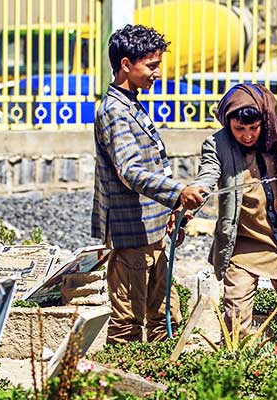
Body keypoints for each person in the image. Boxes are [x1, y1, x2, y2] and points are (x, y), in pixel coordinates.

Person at [92, 24, 207, 344]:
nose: (157, 73)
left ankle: (158, 376)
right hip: (132, 232)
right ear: (126, 64)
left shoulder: (131, 103)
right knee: (128, 321)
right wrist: (177, 193)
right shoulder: (115, 111)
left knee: (163, 316)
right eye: (151, 65)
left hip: (153, 228)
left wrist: (174, 208)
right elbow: (130, 170)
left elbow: (152, 163)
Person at [191, 83, 277, 341]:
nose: (246, 135)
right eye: (239, 129)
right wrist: (192, 198)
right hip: (244, 242)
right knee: (236, 317)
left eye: (253, 128)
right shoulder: (217, 144)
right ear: (228, 123)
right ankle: (241, 370)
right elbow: (207, 177)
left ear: (263, 121)